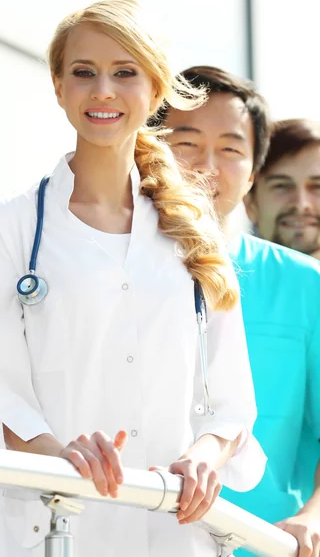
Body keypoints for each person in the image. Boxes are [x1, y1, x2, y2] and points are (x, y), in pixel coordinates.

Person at [0, 2, 266, 557]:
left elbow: (231, 402)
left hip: (174, 529)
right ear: (58, 87)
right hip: (53, 528)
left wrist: (204, 456)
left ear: (155, 92)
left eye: (125, 73)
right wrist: (61, 454)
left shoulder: (194, 228)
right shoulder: (7, 224)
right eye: (83, 72)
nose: (102, 90)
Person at [157, 65, 320, 557]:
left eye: (230, 149)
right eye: (187, 142)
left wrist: (311, 519)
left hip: (266, 545)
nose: (207, 165)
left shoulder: (304, 286)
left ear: (251, 172)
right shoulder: (108, 272)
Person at [244, 118, 320, 259]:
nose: (301, 204)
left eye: (317, 187)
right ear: (250, 203)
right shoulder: (215, 280)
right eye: (281, 186)